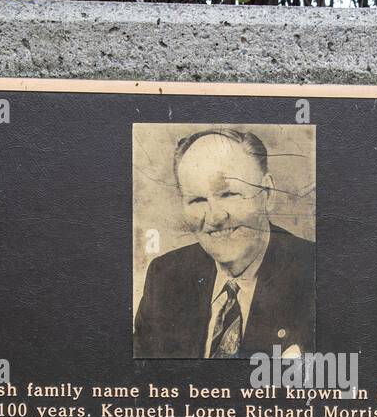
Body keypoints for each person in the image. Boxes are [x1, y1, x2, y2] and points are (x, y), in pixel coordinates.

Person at [133, 128, 315, 358]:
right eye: (197, 199)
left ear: (267, 193)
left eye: (229, 194)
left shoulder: (317, 275)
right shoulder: (165, 277)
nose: (216, 217)